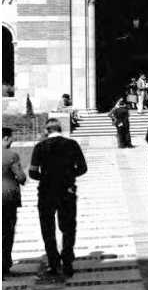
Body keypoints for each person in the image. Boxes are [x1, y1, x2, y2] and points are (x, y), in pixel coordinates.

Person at [28, 118, 87, 278]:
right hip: (67, 190)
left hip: (47, 191)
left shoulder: (40, 147)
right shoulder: (72, 144)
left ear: (47, 130)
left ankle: (53, 263)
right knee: (68, 226)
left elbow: (32, 172)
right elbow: (83, 168)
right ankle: (67, 261)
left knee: (48, 228)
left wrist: (47, 178)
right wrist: (68, 176)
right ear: (60, 129)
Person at [2, 126, 27, 277]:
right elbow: (22, 177)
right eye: (11, 138)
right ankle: (4, 265)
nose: (13, 141)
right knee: (7, 231)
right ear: (6, 138)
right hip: (7, 199)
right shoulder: (11, 155)